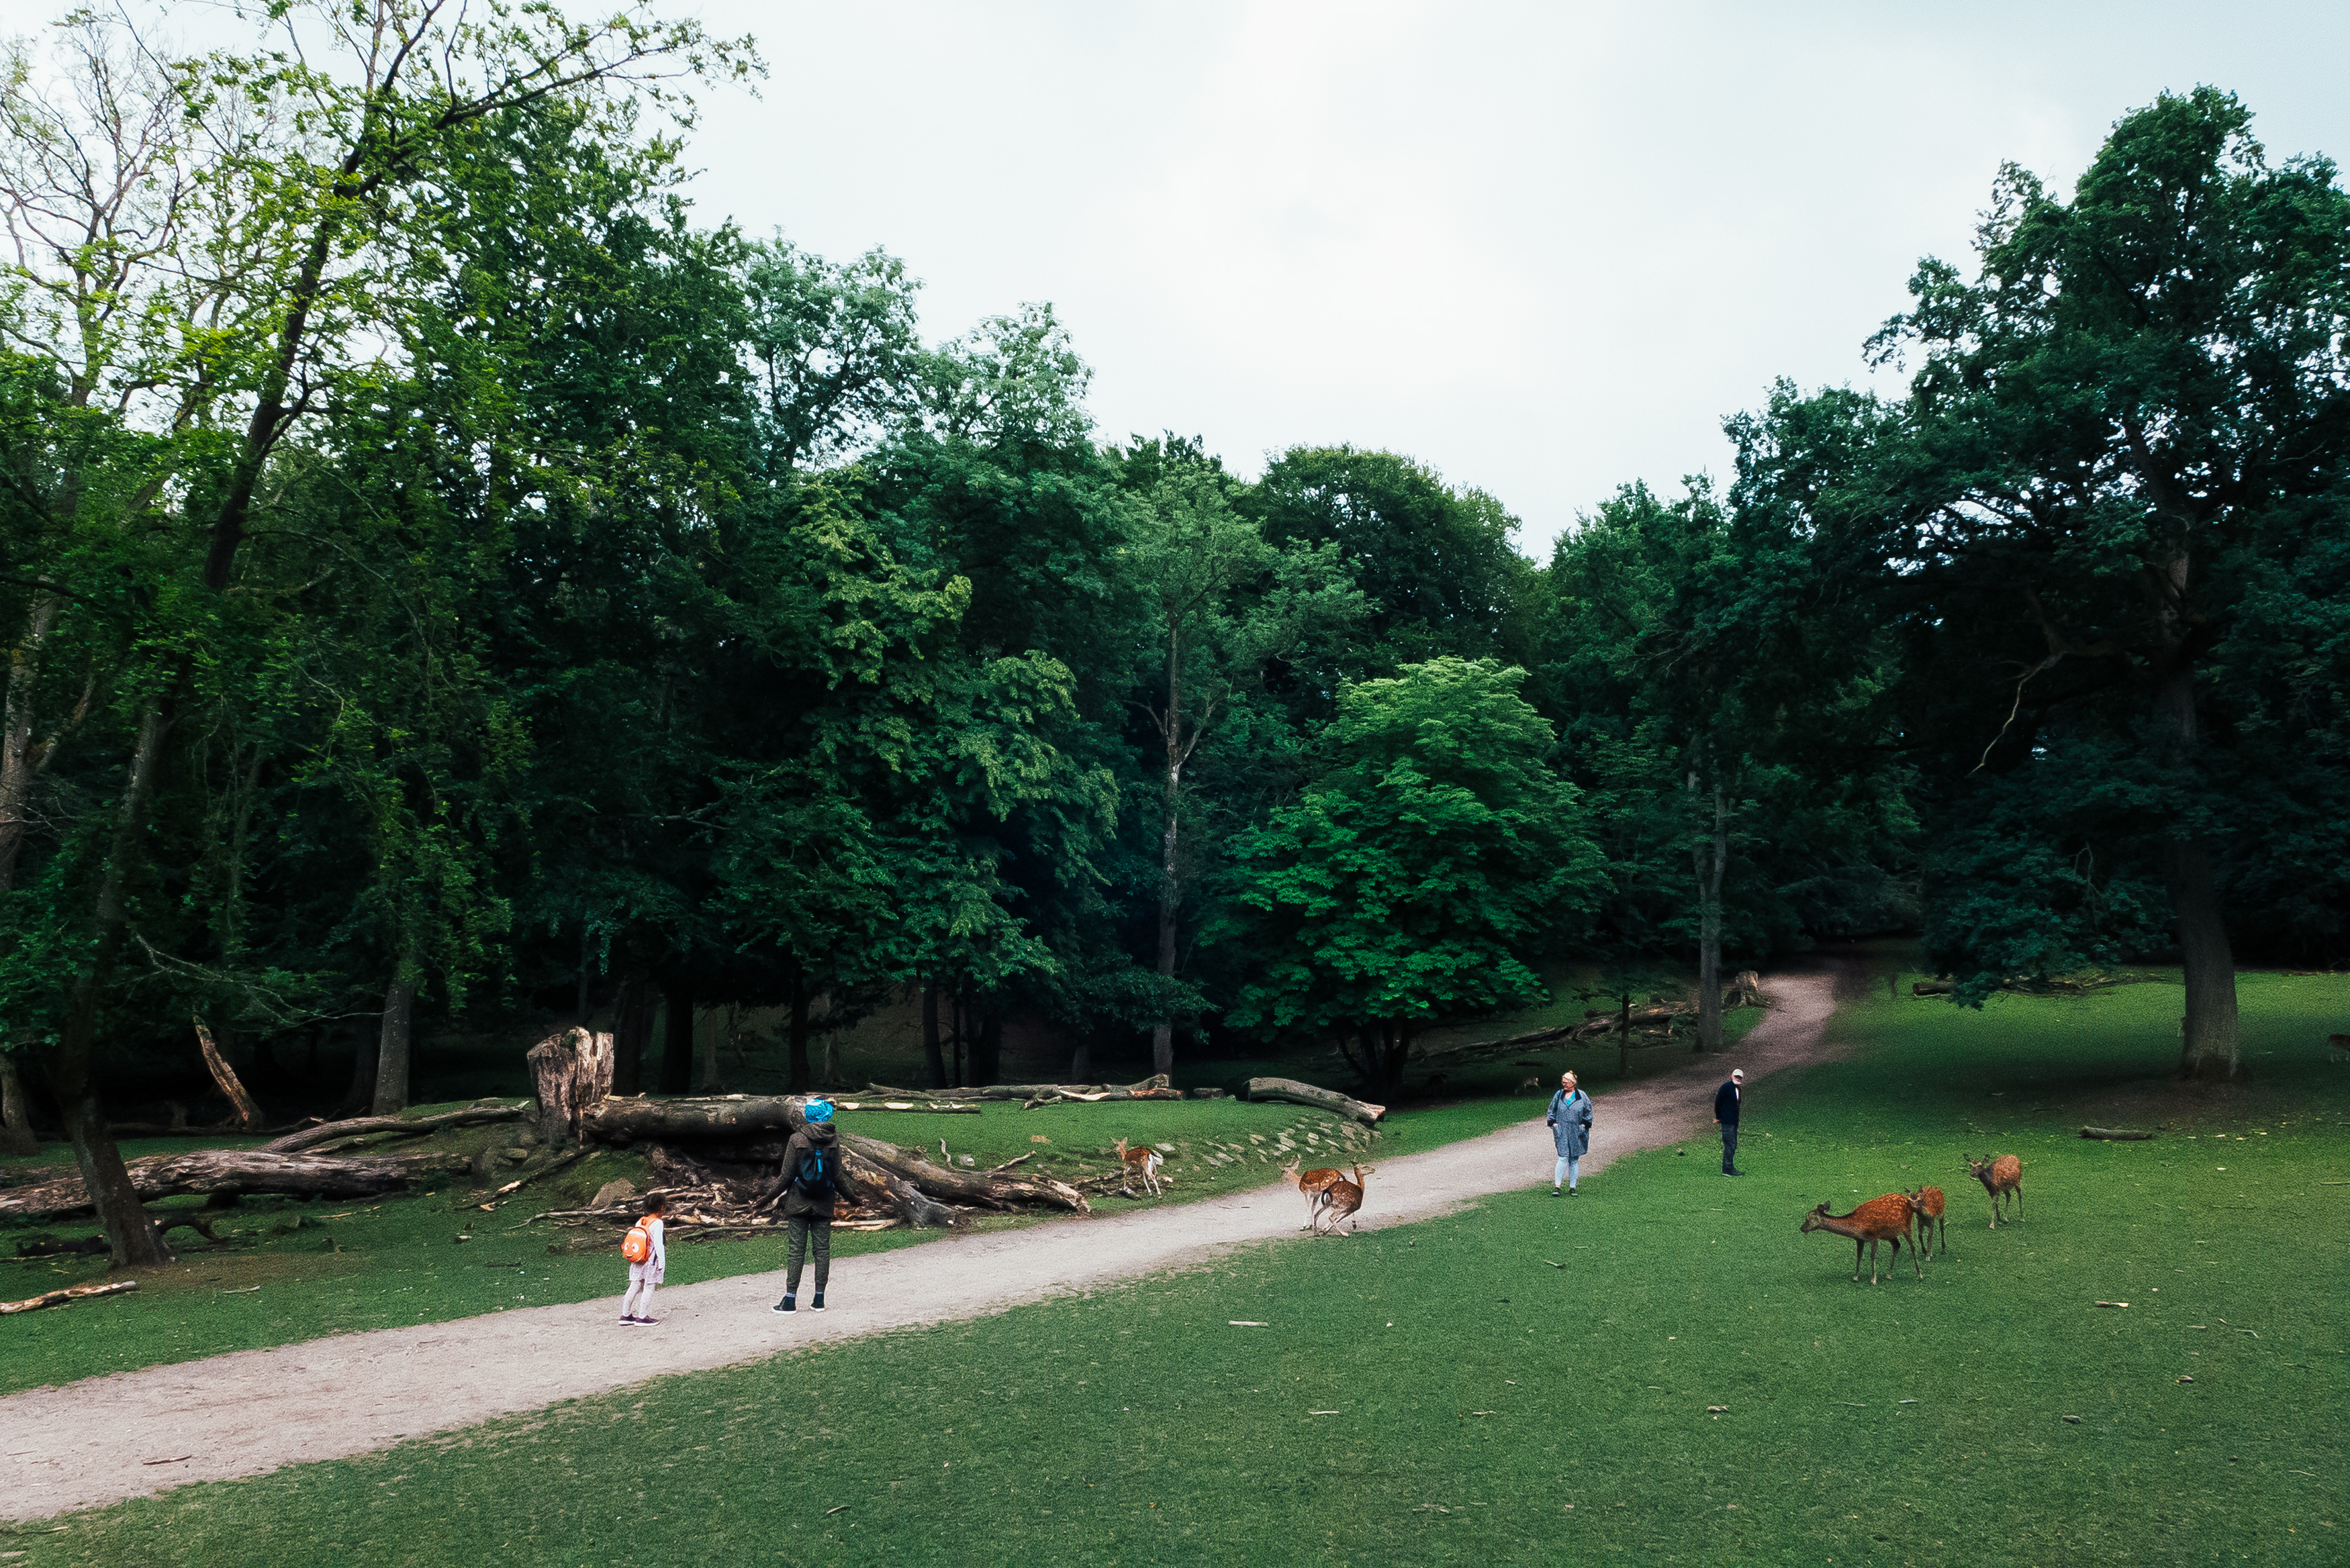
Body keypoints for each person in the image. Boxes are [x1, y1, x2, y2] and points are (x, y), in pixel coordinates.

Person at [771, 1097, 843, 1314]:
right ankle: (819, 1299)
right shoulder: (834, 1140)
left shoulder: (796, 1139)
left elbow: (786, 1176)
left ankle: (790, 1300)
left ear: (808, 1116)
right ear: (826, 1115)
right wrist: (854, 1198)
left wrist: (766, 1199)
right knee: (822, 1250)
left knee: (796, 1251)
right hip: (824, 1201)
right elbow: (838, 1176)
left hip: (798, 1202)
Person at [619, 1193, 667, 1325]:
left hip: (638, 1259)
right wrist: (662, 1263)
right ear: (662, 1208)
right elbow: (658, 1244)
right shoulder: (658, 1223)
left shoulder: (641, 1221)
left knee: (634, 1285)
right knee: (649, 1286)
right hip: (651, 1261)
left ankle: (625, 1315)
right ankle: (643, 1316)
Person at [1545, 1071, 1593, 1196]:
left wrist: (1583, 1126)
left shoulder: (1582, 1096)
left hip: (1577, 1132)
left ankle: (1573, 1187)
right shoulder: (1559, 1095)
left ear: (1573, 1083)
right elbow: (1551, 1110)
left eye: (1566, 1083)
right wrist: (1554, 1124)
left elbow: (1588, 1112)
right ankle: (1557, 1187)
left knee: (1574, 1159)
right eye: (1563, 1082)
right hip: (1562, 1131)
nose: (1564, 1085)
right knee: (1562, 1157)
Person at [1713, 1067, 1745, 1175]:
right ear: (1732, 1076)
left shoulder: (1738, 1090)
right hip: (1727, 1121)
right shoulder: (1727, 1087)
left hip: (1734, 1121)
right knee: (1730, 1144)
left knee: (1733, 1144)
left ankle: (1728, 1168)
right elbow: (1718, 1101)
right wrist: (1718, 1117)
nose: (1738, 1079)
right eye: (1736, 1077)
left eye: (1739, 1077)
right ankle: (1728, 1169)